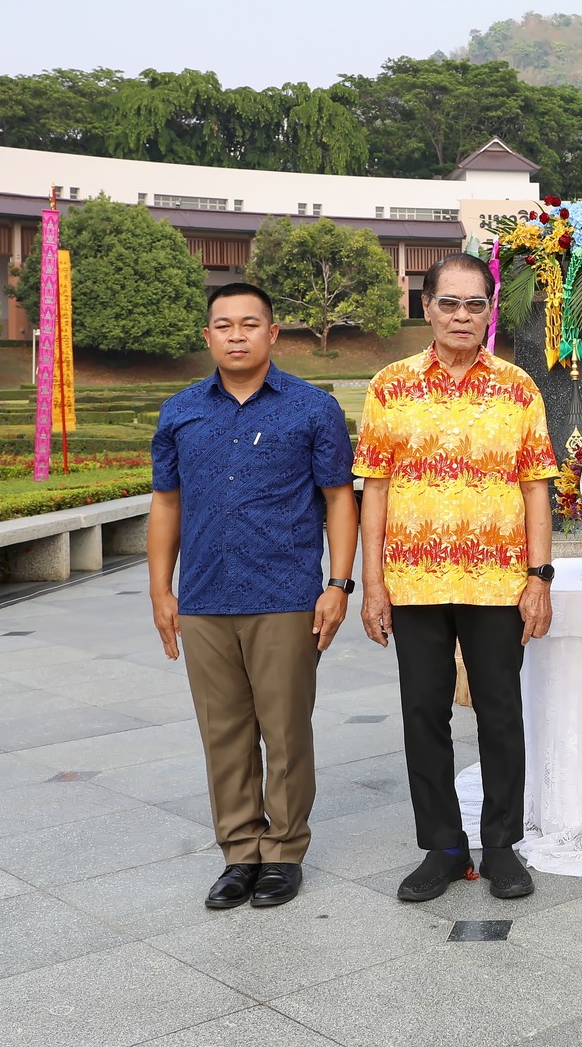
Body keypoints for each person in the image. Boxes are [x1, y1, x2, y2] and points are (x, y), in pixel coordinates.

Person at [147, 282, 358, 911]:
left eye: (249, 324)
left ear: (273, 334)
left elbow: (339, 498)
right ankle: (240, 852)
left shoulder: (312, 408)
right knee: (224, 732)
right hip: (205, 596)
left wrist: (338, 585)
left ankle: (284, 852)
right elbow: (167, 503)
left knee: (285, 731)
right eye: (223, 325)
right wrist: (161, 589)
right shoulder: (180, 411)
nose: (236, 335)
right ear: (207, 335)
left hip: (286, 594)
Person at [356, 254, 558, 903]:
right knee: (424, 713)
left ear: (489, 310)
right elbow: (375, 489)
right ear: (426, 307)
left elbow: (536, 489)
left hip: (497, 582)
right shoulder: (389, 386)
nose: (463, 315)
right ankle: (443, 847)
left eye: (476, 304)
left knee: (500, 714)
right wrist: (373, 582)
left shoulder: (518, 387)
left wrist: (539, 576)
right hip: (413, 581)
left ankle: (501, 846)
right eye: (450, 303)